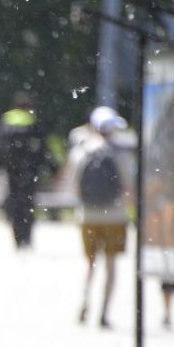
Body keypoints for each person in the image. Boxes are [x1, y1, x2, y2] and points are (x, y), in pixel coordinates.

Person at [68, 105, 134, 328]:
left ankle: (85, 299)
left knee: (90, 263)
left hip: (87, 216)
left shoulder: (81, 151)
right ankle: (104, 312)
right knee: (111, 265)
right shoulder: (120, 152)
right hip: (115, 216)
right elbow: (129, 186)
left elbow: (74, 186)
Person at [0, 91, 57, 249]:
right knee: (28, 204)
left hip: (12, 170)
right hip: (30, 170)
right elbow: (43, 150)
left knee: (15, 203)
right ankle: (27, 237)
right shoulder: (33, 122)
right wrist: (53, 169)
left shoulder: (6, 122)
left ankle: (17, 238)